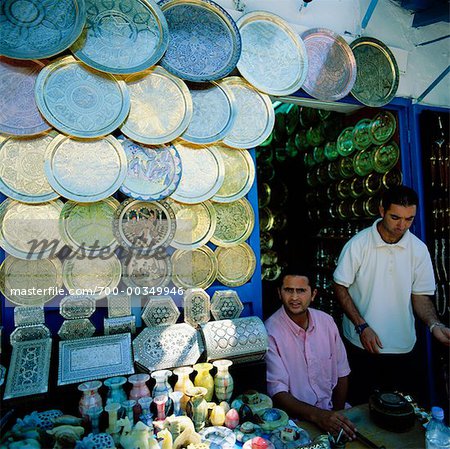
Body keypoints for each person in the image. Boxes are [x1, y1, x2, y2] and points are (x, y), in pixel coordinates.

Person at [333, 185, 450, 404]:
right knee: (361, 406)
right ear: (381, 211)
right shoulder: (358, 245)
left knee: (401, 409)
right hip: (361, 345)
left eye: (409, 219)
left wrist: (434, 325)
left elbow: (421, 296)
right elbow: (340, 286)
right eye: (395, 217)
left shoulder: (418, 249)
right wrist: (362, 326)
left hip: (403, 346)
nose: (401, 225)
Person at [265, 268, 357, 440]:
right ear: (279, 293)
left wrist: (335, 416)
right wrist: (320, 417)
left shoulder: (327, 322)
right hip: (296, 423)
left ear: (313, 294)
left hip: (333, 411)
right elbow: (278, 392)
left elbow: (342, 373)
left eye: (301, 291)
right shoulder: (271, 331)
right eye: (288, 290)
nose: (294, 298)